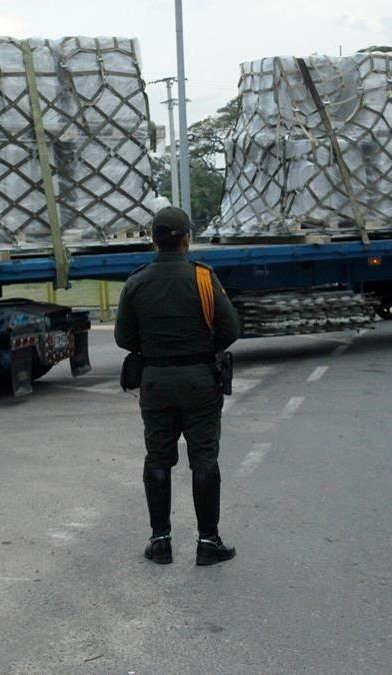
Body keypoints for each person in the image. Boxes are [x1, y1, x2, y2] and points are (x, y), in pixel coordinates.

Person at [115, 207, 241, 566]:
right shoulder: (202, 278)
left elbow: (124, 337)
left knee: (158, 457)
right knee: (203, 458)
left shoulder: (137, 282)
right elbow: (230, 329)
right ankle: (207, 542)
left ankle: (160, 541)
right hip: (200, 380)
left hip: (155, 382)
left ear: (154, 239)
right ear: (187, 238)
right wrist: (202, 349)